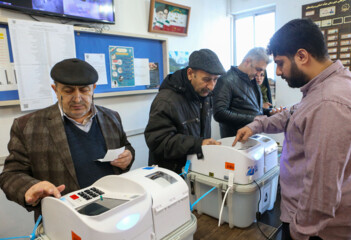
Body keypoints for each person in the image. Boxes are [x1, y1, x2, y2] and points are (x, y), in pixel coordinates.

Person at [233, 19, 351, 240]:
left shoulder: (329, 103)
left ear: (302, 56)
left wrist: (300, 232)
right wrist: (256, 125)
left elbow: (322, 191)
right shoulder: (326, 86)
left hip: (316, 229)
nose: (279, 72)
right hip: (306, 219)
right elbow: (294, 113)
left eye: (280, 63)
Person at [0, 58, 135, 220]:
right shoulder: (27, 126)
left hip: (112, 211)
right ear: (55, 90)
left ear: (93, 89)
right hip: (63, 218)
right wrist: (31, 187)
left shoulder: (111, 117)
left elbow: (126, 146)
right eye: (68, 91)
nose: (77, 99)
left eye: (84, 90)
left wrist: (129, 156)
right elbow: (11, 174)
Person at [144, 49, 226, 174]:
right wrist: (198, 144)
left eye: (215, 79)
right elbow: (158, 141)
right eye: (206, 79)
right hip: (170, 174)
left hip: (194, 169)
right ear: (190, 73)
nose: (211, 86)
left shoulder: (204, 94)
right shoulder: (166, 100)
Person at [213, 47, 272, 138]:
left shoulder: (251, 80)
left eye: (262, 70)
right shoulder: (226, 80)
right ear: (247, 61)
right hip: (234, 142)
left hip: (252, 138)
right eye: (258, 69)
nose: (259, 74)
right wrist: (254, 119)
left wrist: (269, 113)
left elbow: (253, 109)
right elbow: (219, 113)